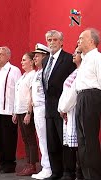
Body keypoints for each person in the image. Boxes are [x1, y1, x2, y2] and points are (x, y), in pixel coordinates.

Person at [42, 30, 76, 179]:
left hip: (63, 107)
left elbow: (72, 83)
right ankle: (56, 172)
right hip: (48, 107)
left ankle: (68, 172)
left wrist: (66, 106)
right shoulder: (45, 61)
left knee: (65, 142)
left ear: (61, 42)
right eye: (49, 40)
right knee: (52, 142)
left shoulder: (68, 59)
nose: (51, 42)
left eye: (55, 39)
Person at [0, 46, 21, 173]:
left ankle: (10, 164)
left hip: (8, 111)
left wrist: (15, 110)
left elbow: (18, 90)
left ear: (8, 56)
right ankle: (2, 163)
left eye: (1, 54)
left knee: (9, 138)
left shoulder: (14, 70)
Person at [75, 28, 101, 180]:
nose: (78, 41)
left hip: (92, 97)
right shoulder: (84, 60)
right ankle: (86, 175)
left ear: (91, 41)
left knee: (89, 139)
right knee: (82, 140)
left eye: (81, 38)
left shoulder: (97, 58)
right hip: (81, 97)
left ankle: (94, 176)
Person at [58, 46, 83, 180]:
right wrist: (61, 108)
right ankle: (71, 172)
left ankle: (79, 173)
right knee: (70, 145)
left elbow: (73, 94)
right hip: (67, 111)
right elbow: (64, 93)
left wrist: (64, 108)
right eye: (74, 52)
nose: (74, 54)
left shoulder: (82, 73)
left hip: (74, 111)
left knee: (78, 144)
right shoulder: (74, 72)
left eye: (78, 52)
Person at [12, 52, 38, 176]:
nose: (21, 62)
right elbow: (18, 96)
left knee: (30, 138)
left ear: (32, 62)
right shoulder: (23, 76)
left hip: (27, 112)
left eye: (24, 60)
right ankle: (28, 163)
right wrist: (15, 112)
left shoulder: (33, 75)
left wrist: (29, 113)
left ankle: (32, 165)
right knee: (25, 139)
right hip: (20, 111)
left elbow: (31, 96)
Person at [30, 43, 52, 180]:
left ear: (45, 56)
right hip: (37, 108)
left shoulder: (46, 71)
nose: (35, 58)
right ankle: (45, 166)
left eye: (37, 55)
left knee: (45, 139)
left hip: (43, 107)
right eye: (34, 56)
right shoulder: (37, 72)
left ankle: (48, 167)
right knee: (41, 139)